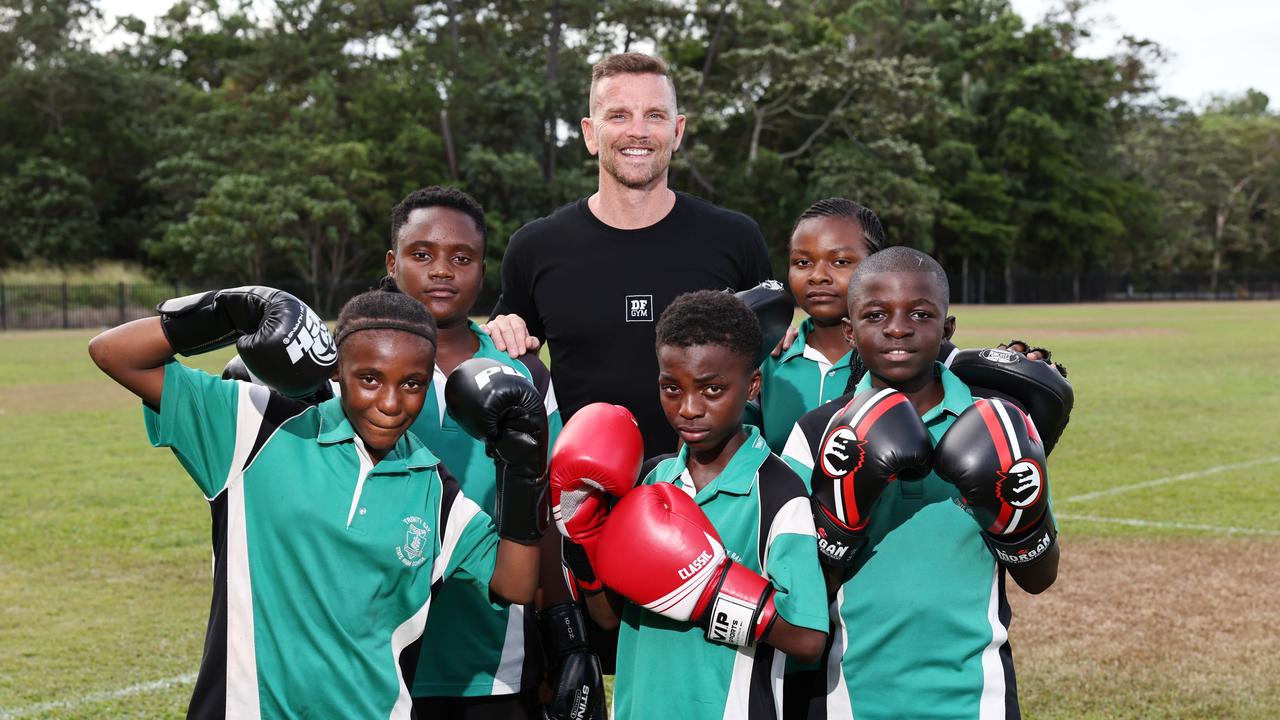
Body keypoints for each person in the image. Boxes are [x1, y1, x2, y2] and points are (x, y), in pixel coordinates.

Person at [87, 287, 543, 718]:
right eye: (369, 378)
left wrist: (523, 471)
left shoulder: (433, 487)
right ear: (335, 369)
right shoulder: (256, 426)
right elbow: (114, 353)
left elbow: (515, 584)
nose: (390, 402)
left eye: (412, 384)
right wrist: (226, 311)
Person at [780, 247, 1060, 719]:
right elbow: (797, 594)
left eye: (920, 314)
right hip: (848, 695)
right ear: (849, 332)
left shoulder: (995, 424)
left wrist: (1018, 519)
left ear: (947, 330)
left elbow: (1039, 576)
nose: (897, 328)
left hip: (976, 697)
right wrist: (841, 517)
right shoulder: (816, 431)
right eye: (875, 314)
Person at [552, 290, 829, 718]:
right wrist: (586, 541)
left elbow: (808, 638)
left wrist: (712, 593)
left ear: (753, 384)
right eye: (671, 388)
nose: (689, 409)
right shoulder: (648, 480)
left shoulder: (779, 493)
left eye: (712, 389)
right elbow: (609, 620)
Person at [483, 52, 773, 457]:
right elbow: (504, 360)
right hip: (582, 498)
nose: (638, 131)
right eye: (618, 115)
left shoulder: (735, 237)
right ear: (589, 133)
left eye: (655, 115)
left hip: (709, 493)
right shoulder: (536, 247)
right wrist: (500, 331)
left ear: (677, 130)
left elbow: (769, 364)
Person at [380, 186, 597, 720]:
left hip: (496, 655)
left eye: (461, 258)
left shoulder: (523, 370)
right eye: (422, 254)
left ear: (483, 270)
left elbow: (545, 509)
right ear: (392, 262)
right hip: (372, 657)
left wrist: (565, 637)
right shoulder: (355, 377)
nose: (441, 271)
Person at [750, 198, 885, 452]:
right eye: (803, 262)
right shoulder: (769, 357)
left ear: (878, 265)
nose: (817, 275)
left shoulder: (899, 358)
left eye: (840, 262)